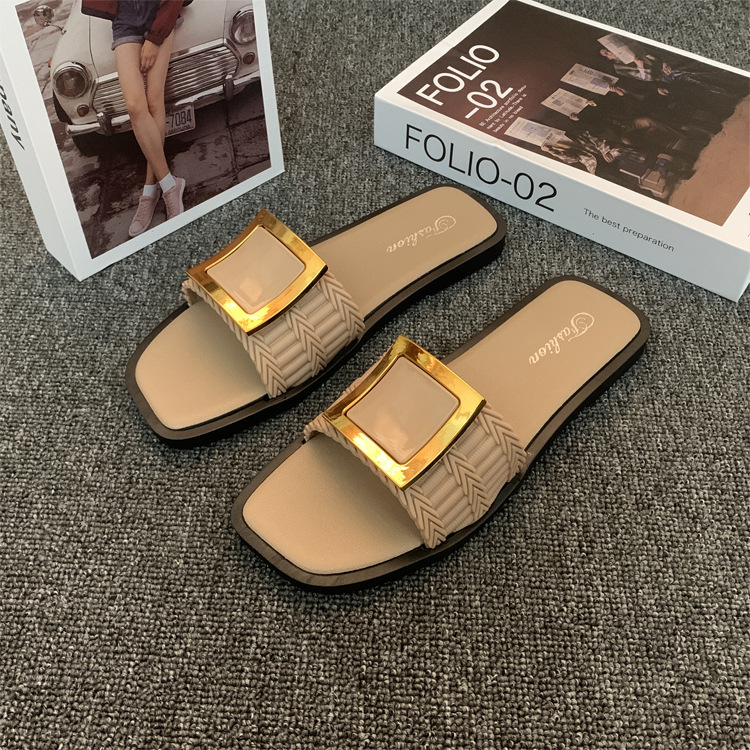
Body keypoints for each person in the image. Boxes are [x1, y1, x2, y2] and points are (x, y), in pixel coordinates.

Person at [82, 0, 186, 237]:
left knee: (154, 101)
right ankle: (170, 183)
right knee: (135, 106)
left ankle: (150, 190)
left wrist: (155, 39)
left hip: (159, 10)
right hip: (125, 16)